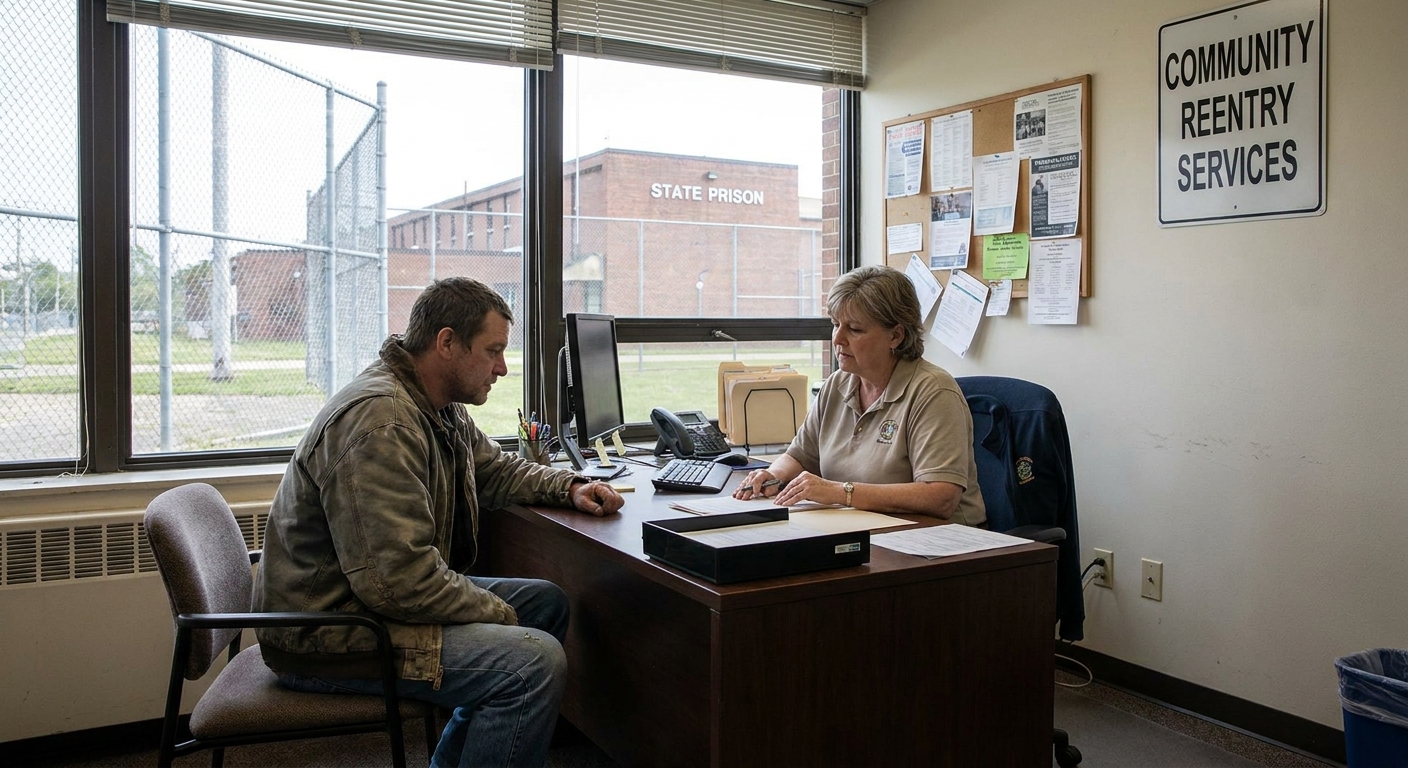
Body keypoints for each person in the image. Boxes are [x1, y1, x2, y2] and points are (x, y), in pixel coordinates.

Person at [253, 277, 624, 768]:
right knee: (532, 659)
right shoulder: (382, 423)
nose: (502, 367)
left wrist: (569, 487)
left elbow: (492, 467)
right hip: (330, 632)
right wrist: (500, 617)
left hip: (368, 603)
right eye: (493, 351)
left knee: (545, 603)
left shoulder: (434, 403)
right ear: (447, 343)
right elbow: (400, 585)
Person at [734, 265, 986, 526]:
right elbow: (800, 456)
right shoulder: (838, 384)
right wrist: (771, 475)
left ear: (896, 336)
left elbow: (941, 497)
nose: (838, 339)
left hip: (938, 543)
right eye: (835, 324)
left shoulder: (933, 392)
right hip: (860, 528)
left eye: (854, 329)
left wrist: (840, 492)